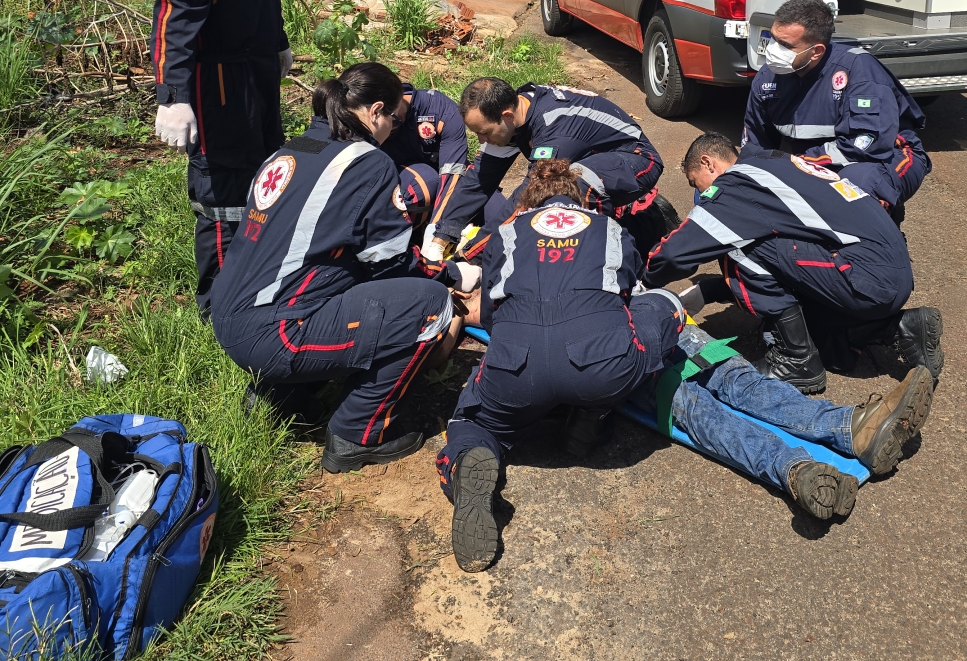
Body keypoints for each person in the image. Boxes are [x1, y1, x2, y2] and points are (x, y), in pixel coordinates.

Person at [438, 160, 935, 572]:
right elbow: (630, 289)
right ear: (584, 200)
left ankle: (793, 468)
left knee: (693, 409)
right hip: (619, 353)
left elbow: (498, 310)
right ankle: (845, 427)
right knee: (726, 374)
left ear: (528, 203)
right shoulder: (609, 230)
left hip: (532, 369)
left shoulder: (506, 234)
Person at [209, 63, 481, 473]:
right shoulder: (368, 162)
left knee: (338, 282)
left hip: (229, 315)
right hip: (275, 332)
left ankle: (280, 396)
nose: (393, 127)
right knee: (427, 303)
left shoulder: (294, 149)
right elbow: (390, 263)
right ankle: (357, 434)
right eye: (393, 117)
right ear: (375, 112)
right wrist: (451, 276)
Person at [151, 0, 325, 314]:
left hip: (255, 75)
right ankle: (218, 310)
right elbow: (176, 7)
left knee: (260, 180)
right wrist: (174, 96)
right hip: (218, 83)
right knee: (224, 194)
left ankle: (252, 286)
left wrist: (279, 42)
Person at [643, 133, 944, 392]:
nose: (699, 193)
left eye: (697, 183)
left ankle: (795, 359)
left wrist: (646, 282)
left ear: (709, 163)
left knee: (738, 246)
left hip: (868, 275)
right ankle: (902, 327)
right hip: (884, 269)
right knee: (814, 335)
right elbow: (787, 266)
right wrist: (707, 292)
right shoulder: (774, 162)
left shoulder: (736, 185)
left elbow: (673, 253)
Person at [425, 78, 667, 258]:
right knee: (558, 186)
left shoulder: (553, 128)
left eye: (485, 133)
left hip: (637, 160)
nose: (481, 140)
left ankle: (610, 257)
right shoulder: (518, 112)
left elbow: (526, 198)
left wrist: (472, 253)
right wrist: (444, 232)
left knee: (567, 185)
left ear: (507, 115)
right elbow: (479, 180)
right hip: (597, 158)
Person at [742, 0, 931, 220]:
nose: (773, 49)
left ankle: (880, 244)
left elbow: (866, 144)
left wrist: (796, 165)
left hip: (885, 156)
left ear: (816, 51)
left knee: (853, 188)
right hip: (814, 160)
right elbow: (755, 144)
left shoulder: (858, 71)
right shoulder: (767, 79)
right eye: (773, 39)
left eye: (785, 45)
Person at [381, 81, 469, 230]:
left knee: (496, 211)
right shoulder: (366, 118)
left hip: (441, 174)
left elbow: (452, 175)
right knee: (425, 183)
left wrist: (438, 230)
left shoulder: (440, 109)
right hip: (399, 175)